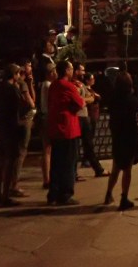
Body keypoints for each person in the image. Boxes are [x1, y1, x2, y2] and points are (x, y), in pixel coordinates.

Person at [46, 59, 83, 206]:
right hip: (68, 129)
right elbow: (80, 103)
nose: (73, 71)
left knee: (56, 163)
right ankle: (66, 194)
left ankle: (53, 193)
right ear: (67, 71)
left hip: (56, 128)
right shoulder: (68, 86)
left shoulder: (53, 85)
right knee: (69, 163)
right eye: (71, 69)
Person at [104, 70, 138, 211]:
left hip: (118, 136)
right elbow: (136, 120)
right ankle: (124, 197)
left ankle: (108, 193)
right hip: (129, 136)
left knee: (116, 167)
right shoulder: (133, 101)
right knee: (127, 169)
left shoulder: (113, 100)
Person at [0, 64, 25, 207]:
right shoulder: (12, 89)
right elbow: (20, 107)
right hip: (11, 127)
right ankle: (5, 195)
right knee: (10, 161)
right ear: (14, 75)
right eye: (18, 74)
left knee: (1, 160)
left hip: (0, 126)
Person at [10, 59, 37, 197]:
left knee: (16, 153)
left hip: (15, 120)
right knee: (21, 152)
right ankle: (14, 184)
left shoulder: (19, 83)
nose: (31, 68)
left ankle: (11, 184)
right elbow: (32, 102)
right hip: (24, 119)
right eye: (29, 66)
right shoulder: (21, 83)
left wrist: (31, 83)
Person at [74, 64, 107, 178]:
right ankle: (74, 173)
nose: (84, 73)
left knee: (88, 144)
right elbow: (78, 100)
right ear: (76, 71)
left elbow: (91, 98)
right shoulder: (73, 84)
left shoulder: (81, 84)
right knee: (76, 147)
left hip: (84, 116)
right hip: (78, 117)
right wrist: (85, 99)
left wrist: (85, 99)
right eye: (82, 70)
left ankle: (98, 169)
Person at [38, 63, 58, 189]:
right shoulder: (48, 85)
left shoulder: (45, 85)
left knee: (47, 149)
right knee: (47, 149)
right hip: (48, 117)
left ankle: (48, 177)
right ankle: (47, 178)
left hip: (45, 116)